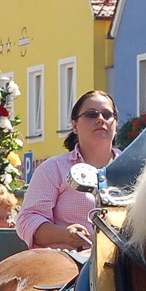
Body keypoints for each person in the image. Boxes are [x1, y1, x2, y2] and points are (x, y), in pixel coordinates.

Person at [16, 90, 121, 251]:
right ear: (75, 126)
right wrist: (65, 235)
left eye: (107, 115)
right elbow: (27, 220)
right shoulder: (53, 169)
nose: (100, 119)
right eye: (91, 114)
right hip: (71, 258)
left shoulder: (134, 168)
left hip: (127, 259)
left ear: (116, 124)